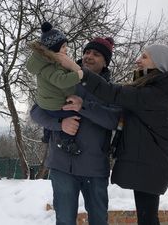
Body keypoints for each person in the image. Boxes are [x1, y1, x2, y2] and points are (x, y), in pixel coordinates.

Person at [59, 44, 168, 225]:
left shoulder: (151, 94)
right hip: (152, 163)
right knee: (147, 217)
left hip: (152, 165)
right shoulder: (154, 90)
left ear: (158, 64)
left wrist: (78, 71)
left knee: (147, 219)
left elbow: (111, 92)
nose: (138, 60)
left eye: (145, 57)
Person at [30, 36, 120, 225]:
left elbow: (114, 120)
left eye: (96, 54)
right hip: (63, 165)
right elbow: (37, 112)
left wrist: (83, 106)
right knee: (64, 221)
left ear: (106, 61)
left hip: (95, 168)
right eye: (87, 52)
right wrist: (60, 124)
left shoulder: (112, 90)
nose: (89, 56)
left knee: (98, 220)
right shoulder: (62, 77)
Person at [26, 22, 84, 155]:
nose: (66, 50)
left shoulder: (47, 64)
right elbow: (61, 81)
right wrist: (79, 74)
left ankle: (47, 134)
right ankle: (66, 141)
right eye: (63, 47)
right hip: (56, 105)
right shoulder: (50, 67)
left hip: (46, 103)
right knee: (73, 115)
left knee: (53, 114)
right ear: (54, 49)